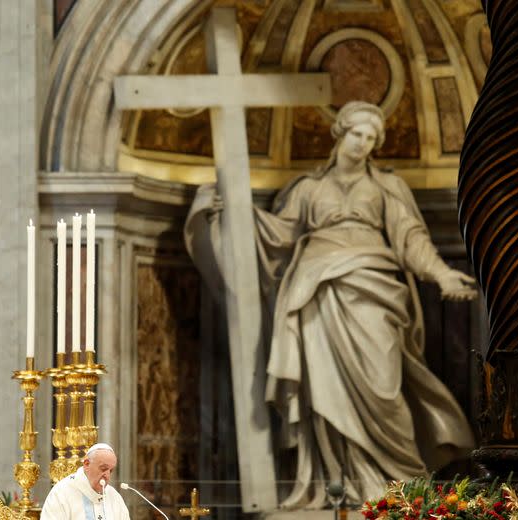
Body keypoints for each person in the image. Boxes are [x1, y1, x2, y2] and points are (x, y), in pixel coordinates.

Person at [185, 101, 477, 507]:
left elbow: (411, 240)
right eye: (357, 133)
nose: (363, 143)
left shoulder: (386, 187)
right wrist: (230, 213)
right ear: (340, 133)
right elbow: (277, 236)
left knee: (383, 388)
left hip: (373, 290)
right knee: (321, 394)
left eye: (372, 137)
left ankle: (401, 483)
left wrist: (443, 274)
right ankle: (332, 484)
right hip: (315, 293)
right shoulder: (307, 189)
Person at [41, 443, 130, 520]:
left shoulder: (113, 496)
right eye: (103, 468)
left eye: (110, 471)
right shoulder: (62, 493)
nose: (107, 475)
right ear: (87, 464)